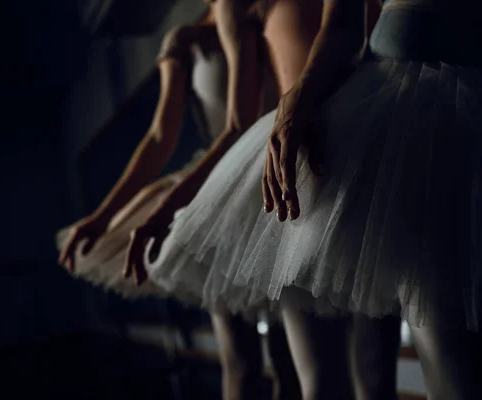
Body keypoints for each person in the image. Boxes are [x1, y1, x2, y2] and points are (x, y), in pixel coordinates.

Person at [132, 0, 482, 399]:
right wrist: (300, 98)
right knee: (449, 377)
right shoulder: (226, 20)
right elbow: (343, 22)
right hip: (421, 130)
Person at [129, 1, 403, 399]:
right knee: (315, 376)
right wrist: (169, 208)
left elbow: (352, 34)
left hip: (371, 155)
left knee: (373, 375)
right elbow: (229, 124)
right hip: (298, 171)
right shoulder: (239, 11)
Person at [57, 3, 302, 399]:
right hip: (217, 193)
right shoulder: (185, 39)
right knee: (240, 359)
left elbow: (252, 115)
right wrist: (103, 217)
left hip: (269, 178)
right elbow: (158, 137)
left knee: (289, 356)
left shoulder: (253, 12)